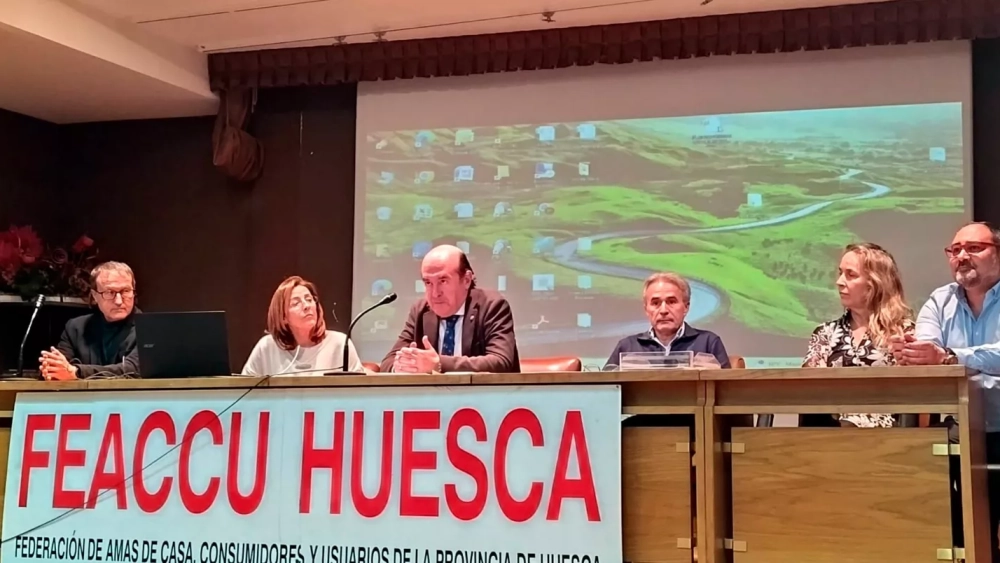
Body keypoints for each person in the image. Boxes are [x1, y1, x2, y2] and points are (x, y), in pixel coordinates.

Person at [889, 221, 1000, 557]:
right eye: (955, 250)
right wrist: (912, 352)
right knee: (956, 523)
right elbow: (929, 350)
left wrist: (951, 356)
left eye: (974, 248)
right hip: (962, 428)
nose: (962, 256)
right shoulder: (940, 300)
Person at [802, 243, 913, 427]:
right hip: (832, 425)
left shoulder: (904, 332)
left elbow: (916, 393)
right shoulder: (825, 333)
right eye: (840, 273)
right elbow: (808, 386)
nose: (839, 282)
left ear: (874, 283)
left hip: (886, 430)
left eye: (850, 275)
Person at [380, 244, 519, 373]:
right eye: (428, 283)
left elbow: (501, 361)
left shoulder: (491, 306)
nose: (435, 293)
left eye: (443, 281)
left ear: (466, 280)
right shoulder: (421, 311)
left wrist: (438, 364)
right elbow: (388, 363)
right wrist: (403, 366)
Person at [604, 272, 730, 369]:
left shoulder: (709, 342)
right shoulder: (627, 346)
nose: (663, 310)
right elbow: (604, 390)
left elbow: (729, 390)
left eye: (671, 302)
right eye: (655, 303)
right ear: (646, 309)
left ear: (686, 307)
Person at [39, 261, 140, 380]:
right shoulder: (76, 328)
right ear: (95, 295)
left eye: (126, 291)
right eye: (110, 292)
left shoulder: (150, 328)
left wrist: (77, 372)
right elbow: (58, 368)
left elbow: (133, 369)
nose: (119, 301)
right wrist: (51, 368)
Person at [242, 276, 364, 376]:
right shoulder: (267, 347)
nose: (306, 306)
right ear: (283, 316)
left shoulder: (340, 344)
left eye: (309, 300)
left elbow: (359, 391)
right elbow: (242, 391)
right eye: (296, 303)